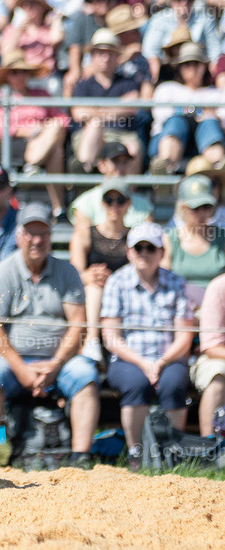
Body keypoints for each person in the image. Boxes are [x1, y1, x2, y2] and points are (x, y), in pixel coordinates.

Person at [0, 204, 99, 467]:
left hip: (58, 360)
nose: (37, 240)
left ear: (51, 237)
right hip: (13, 359)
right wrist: (21, 369)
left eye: (43, 233)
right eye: (30, 233)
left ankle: (81, 457)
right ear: (19, 237)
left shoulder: (67, 272)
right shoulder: (3, 271)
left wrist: (56, 364)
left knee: (86, 376)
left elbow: (78, 324)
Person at [101, 223, 195, 471]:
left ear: (161, 252)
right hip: (128, 359)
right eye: (138, 247)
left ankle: (173, 451)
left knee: (174, 385)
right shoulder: (117, 281)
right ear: (129, 252)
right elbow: (110, 337)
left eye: (150, 247)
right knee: (136, 384)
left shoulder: (176, 282)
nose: (144, 252)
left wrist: (162, 362)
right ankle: (136, 454)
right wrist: (143, 363)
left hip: (169, 357)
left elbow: (184, 336)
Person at [0, 51, 69, 216]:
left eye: (24, 71)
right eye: (15, 72)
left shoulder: (42, 94)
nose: (20, 76)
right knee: (56, 150)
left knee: (56, 134)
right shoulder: (0, 97)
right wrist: (30, 130)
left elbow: (64, 120)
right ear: (7, 76)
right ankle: (58, 206)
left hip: (43, 141)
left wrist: (43, 130)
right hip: (14, 143)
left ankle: (33, 164)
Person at [69, 179, 132, 363]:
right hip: (95, 295)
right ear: (102, 203)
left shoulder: (134, 236)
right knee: (94, 287)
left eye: (120, 200)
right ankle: (92, 340)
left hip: (124, 294)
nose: (114, 205)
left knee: (96, 287)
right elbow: (74, 274)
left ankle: (97, 342)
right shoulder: (85, 234)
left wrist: (114, 281)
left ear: (128, 204)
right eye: (109, 200)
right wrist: (87, 276)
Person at [70, 30, 141, 175]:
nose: (105, 58)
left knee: (134, 148)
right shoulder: (83, 85)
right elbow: (78, 114)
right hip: (90, 136)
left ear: (117, 57)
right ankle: (83, 174)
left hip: (122, 135)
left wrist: (94, 112)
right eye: (100, 53)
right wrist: (116, 109)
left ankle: (127, 193)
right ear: (93, 57)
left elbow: (132, 107)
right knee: (95, 125)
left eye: (110, 53)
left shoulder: (128, 82)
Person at [148, 42, 225, 176]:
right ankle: (164, 167)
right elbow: (161, 116)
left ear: (204, 66)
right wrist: (198, 112)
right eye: (186, 64)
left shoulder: (216, 93)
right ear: (179, 68)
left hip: (204, 139)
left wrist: (212, 117)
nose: (192, 68)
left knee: (210, 123)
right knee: (176, 122)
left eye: (196, 64)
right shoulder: (167, 89)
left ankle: (218, 167)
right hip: (167, 139)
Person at [162, 174, 225, 305]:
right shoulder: (170, 239)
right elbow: (163, 280)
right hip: (180, 308)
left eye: (206, 207)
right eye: (195, 208)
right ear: (183, 208)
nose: (202, 213)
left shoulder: (222, 237)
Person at [69, 142, 154, 231]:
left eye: (125, 162)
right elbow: (83, 240)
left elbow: (148, 242)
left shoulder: (144, 205)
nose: (121, 167)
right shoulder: (84, 204)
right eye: (115, 161)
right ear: (101, 165)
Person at [192, 272, 225, 437]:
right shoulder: (219, 287)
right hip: (217, 356)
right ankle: (210, 447)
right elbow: (211, 346)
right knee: (217, 374)